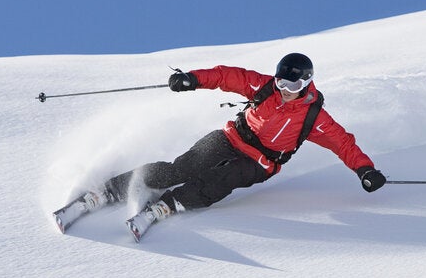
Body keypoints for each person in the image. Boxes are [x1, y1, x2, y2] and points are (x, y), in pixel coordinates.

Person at [83, 53, 387, 240]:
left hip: (261, 162)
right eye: (282, 84)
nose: (285, 92)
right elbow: (226, 76)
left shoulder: (314, 117)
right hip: (232, 137)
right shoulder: (264, 86)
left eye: (293, 87)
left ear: (307, 84)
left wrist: (365, 170)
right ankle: (111, 189)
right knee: (184, 167)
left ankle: (169, 204)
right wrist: (191, 79)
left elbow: (343, 143)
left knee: (221, 180)